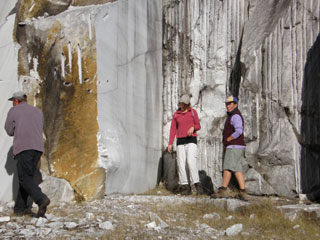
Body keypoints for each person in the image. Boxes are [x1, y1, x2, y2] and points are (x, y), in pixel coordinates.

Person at [4, 91, 50, 217]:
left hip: (25, 147)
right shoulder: (37, 111)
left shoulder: (14, 111)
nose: (13, 104)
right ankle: (20, 208)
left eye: (13, 101)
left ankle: (41, 199)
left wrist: (16, 128)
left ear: (16, 101)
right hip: (38, 148)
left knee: (24, 178)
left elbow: (8, 130)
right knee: (26, 177)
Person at [211, 96, 248, 201]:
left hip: (234, 145)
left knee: (227, 168)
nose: (228, 106)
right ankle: (243, 191)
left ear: (235, 104)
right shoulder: (234, 115)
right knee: (237, 169)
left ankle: (223, 190)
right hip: (238, 146)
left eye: (230, 104)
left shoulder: (235, 116)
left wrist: (229, 139)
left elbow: (239, 131)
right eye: (227, 104)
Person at [168, 94, 203, 195]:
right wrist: (170, 143)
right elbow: (173, 129)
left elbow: (198, 125)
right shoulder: (176, 114)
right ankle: (185, 187)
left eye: (184, 104)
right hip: (180, 142)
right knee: (181, 164)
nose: (182, 105)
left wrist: (193, 127)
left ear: (188, 104)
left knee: (191, 162)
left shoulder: (193, 112)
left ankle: (197, 185)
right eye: (181, 103)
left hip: (191, 140)